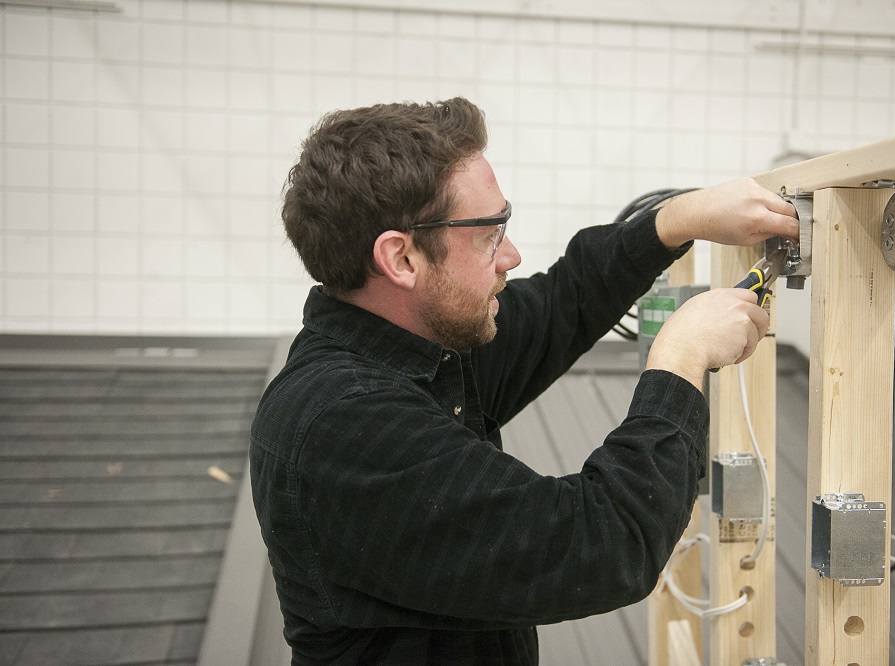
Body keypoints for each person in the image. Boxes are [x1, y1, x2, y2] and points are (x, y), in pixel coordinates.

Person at [250, 97, 798, 665]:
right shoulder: (345, 424)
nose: (511, 255)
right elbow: (604, 544)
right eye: (489, 234)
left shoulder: (416, 346)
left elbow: (565, 300)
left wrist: (679, 219)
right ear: (401, 258)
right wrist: (682, 358)